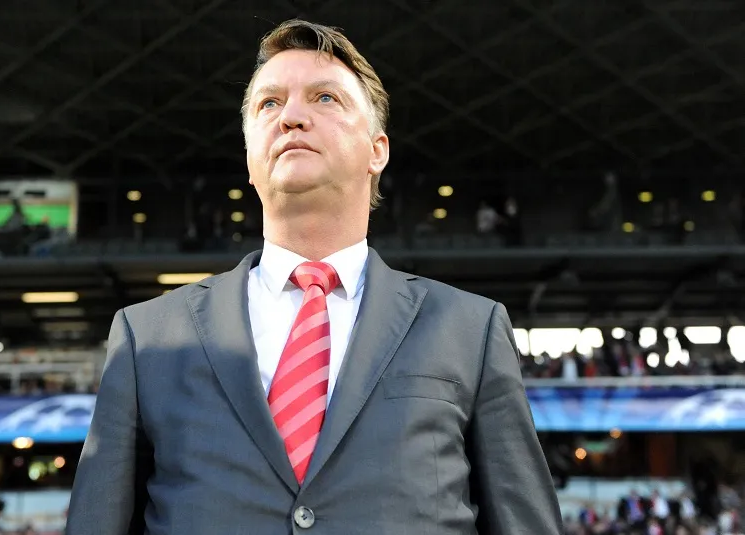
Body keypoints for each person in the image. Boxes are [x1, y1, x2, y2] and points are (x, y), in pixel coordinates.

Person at [65, 19, 563, 535]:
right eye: (269, 104)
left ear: (377, 151)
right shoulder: (147, 336)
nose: (291, 117)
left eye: (325, 98)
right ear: (249, 161)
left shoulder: (471, 329)